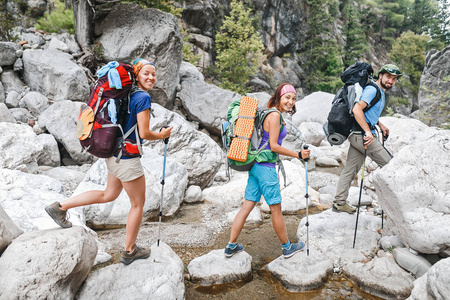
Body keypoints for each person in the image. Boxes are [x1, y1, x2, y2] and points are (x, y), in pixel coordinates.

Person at [45, 58, 172, 265]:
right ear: (137, 74)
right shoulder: (142, 98)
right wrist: (162, 134)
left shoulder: (124, 93)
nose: (151, 77)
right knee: (138, 204)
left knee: (108, 194)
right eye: (146, 73)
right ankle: (130, 251)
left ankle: (60, 206)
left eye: (154, 74)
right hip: (127, 158)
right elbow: (145, 132)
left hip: (113, 153)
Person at [224, 83, 311, 259]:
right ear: (278, 97)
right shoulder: (275, 116)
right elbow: (274, 146)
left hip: (255, 166)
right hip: (266, 168)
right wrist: (298, 155)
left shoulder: (268, 113)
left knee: (246, 207)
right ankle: (287, 248)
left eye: (293, 99)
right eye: (287, 97)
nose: (291, 102)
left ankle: (231, 246)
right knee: (276, 210)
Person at [333, 64, 402, 213]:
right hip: (361, 136)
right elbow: (356, 109)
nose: (391, 81)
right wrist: (367, 131)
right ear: (381, 75)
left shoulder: (379, 91)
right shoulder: (372, 90)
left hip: (357, 134)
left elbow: (367, 111)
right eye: (389, 77)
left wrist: (380, 124)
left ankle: (339, 203)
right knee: (390, 165)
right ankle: (395, 206)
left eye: (394, 79)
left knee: (350, 170)